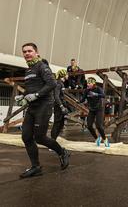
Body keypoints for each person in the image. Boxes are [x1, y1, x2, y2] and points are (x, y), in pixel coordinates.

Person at [18, 43, 70, 178]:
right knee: (26, 137)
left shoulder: (42, 66)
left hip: (44, 106)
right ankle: (36, 167)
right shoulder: (28, 70)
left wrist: (36, 95)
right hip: (32, 108)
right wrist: (23, 97)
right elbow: (31, 89)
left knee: (40, 137)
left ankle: (62, 152)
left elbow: (52, 83)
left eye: (30, 51)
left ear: (36, 52)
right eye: (24, 52)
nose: (27, 53)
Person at [80, 77, 110, 147]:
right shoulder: (86, 90)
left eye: (89, 83)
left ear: (93, 84)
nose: (88, 84)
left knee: (99, 126)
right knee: (89, 125)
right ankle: (97, 138)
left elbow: (103, 95)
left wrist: (95, 94)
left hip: (99, 109)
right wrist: (78, 101)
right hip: (91, 109)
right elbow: (83, 99)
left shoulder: (98, 89)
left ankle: (105, 139)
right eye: (87, 83)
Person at [51, 69, 69, 140]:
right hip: (58, 106)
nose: (68, 75)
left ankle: (54, 139)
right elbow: (56, 96)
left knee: (61, 124)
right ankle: (52, 141)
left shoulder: (61, 83)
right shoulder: (58, 83)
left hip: (62, 105)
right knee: (57, 123)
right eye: (67, 74)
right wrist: (61, 106)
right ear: (63, 75)